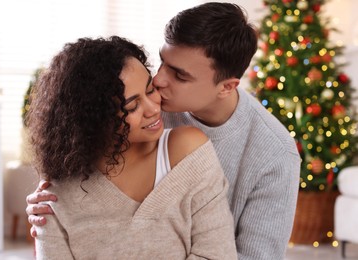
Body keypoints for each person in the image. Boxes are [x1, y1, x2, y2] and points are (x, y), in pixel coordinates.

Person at [26, 3, 301, 260]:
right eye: (162, 62)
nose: (158, 80)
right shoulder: (147, 103)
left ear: (227, 86)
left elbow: (256, 256)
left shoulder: (276, 153)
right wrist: (52, 204)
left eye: (180, 75)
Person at [27, 36, 237, 259]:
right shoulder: (54, 198)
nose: (153, 109)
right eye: (133, 106)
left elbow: (217, 254)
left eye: (149, 91)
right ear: (96, 119)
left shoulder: (186, 151)